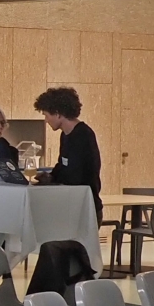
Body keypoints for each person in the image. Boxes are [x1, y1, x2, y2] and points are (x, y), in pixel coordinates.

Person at [35, 86, 101, 214]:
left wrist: (54, 180)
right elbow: (63, 165)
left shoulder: (83, 135)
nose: (46, 120)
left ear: (58, 114)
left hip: (85, 208)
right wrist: (50, 176)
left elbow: (76, 174)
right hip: (71, 205)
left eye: (47, 115)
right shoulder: (65, 135)